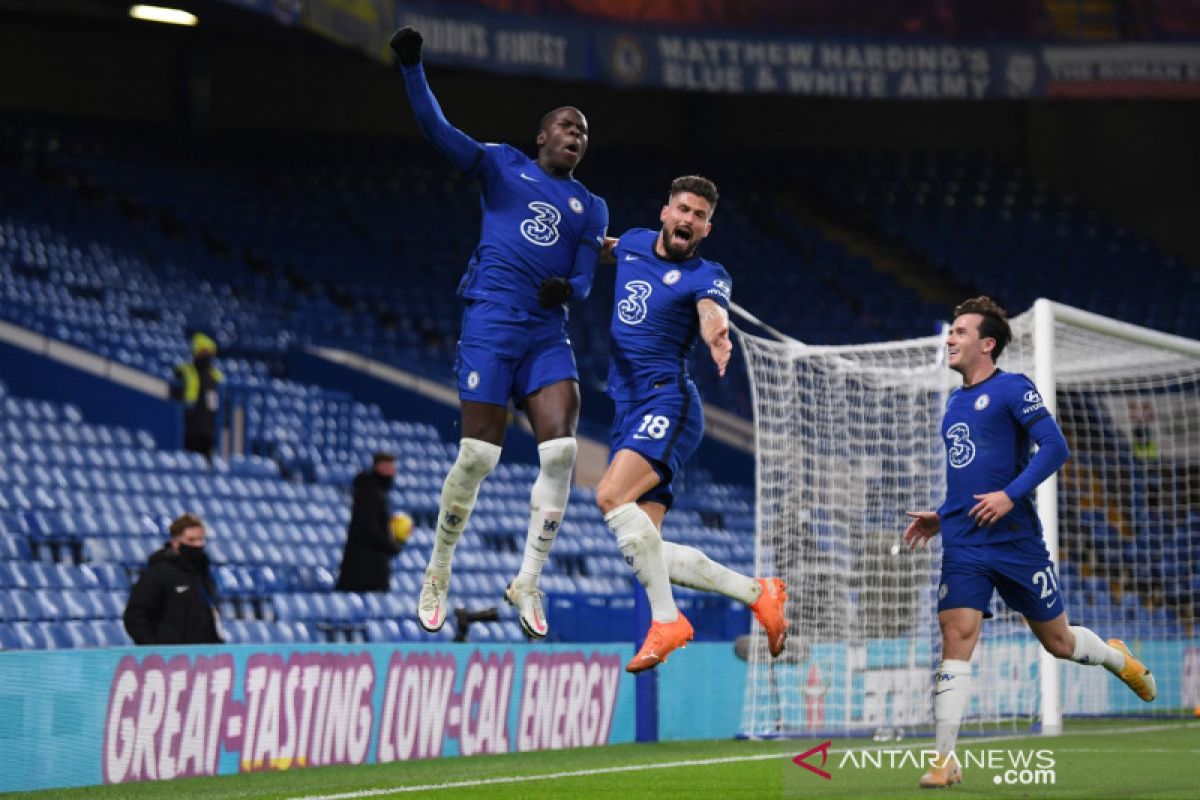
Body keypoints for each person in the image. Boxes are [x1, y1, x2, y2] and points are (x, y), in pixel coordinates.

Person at [390, 27, 609, 639]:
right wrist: (413, 70)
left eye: (585, 133)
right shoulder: (501, 164)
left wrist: (570, 291)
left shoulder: (591, 207)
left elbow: (587, 279)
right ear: (543, 136)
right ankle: (438, 569)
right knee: (478, 456)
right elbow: (441, 133)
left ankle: (528, 579)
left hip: (546, 334)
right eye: (568, 126)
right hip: (489, 321)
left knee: (563, 451)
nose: (576, 137)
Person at [904, 296, 1156, 789]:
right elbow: (969, 471)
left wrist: (1009, 495)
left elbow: (1056, 446)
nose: (949, 338)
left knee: (1059, 643)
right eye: (950, 331)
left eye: (959, 331)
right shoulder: (954, 401)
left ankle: (1115, 656)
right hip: (965, 540)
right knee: (956, 635)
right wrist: (943, 515)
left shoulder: (1013, 387)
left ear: (987, 343)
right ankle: (943, 759)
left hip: (1016, 542)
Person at [593, 175, 787, 674]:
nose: (689, 220)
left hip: (668, 403)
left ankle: (667, 621)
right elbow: (605, 248)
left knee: (610, 497)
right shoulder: (635, 242)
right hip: (628, 407)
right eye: (683, 209)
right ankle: (757, 591)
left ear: (707, 228)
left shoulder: (708, 274)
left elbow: (711, 312)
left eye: (699, 216)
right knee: (645, 551)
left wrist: (718, 335)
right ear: (665, 212)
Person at [124, 513, 224, 645]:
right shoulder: (158, 573)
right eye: (191, 540)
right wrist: (155, 650)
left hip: (204, 657)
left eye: (201, 539)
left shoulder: (203, 574)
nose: (198, 545)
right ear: (176, 542)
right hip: (171, 659)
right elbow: (135, 616)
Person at [335, 452, 409, 592]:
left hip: (368, 571)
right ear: (379, 467)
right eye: (389, 469)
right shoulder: (370, 492)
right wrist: (392, 546)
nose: (393, 473)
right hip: (364, 574)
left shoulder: (374, 491)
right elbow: (368, 529)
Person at [171, 332, 224, 461]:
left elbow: (217, 404)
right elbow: (174, 393)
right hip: (187, 429)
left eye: (208, 351)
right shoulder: (184, 370)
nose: (206, 354)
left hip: (208, 432)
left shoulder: (216, 376)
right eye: (202, 351)